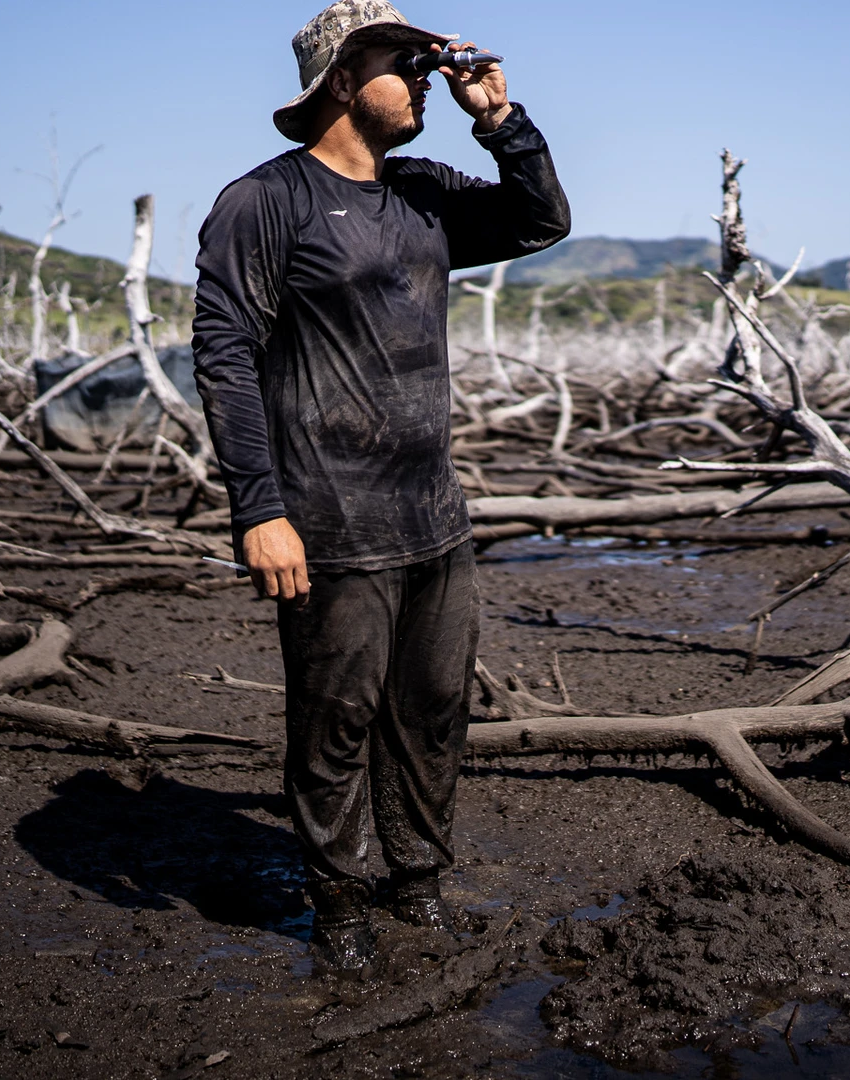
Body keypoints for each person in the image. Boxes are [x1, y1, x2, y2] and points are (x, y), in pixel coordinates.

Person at [190, 0, 570, 972]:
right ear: (343, 81)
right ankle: (342, 910)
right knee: (335, 725)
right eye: (403, 62)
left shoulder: (425, 195)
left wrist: (499, 119)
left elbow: (540, 219)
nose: (421, 80)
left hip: (433, 518)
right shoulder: (264, 203)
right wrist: (259, 510)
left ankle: (418, 885)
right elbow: (225, 355)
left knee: (435, 711)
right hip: (329, 521)